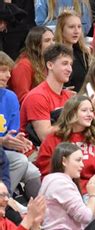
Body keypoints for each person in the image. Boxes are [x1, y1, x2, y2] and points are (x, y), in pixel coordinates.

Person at [35, 95, 95, 193]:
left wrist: (94, 187)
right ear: (72, 113)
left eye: (91, 110)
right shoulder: (53, 138)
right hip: (63, 191)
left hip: (94, 190)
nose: (90, 114)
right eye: (84, 110)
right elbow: (46, 172)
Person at [0, 51, 41, 199]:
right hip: (3, 153)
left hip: (4, 153)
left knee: (33, 173)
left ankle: (39, 217)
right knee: (20, 161)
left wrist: (19, 141)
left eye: (9, 71)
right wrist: (3, 141)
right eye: (3, 71)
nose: (9, 76)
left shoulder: (10, 97)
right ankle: (5, 201)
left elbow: (12, 134)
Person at [20, 43, 73, 146]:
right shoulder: (37, 96)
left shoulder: (68, 96)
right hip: (35, 151)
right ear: (50, 65)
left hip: (63, 148)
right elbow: (45, 137)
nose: (69, 69)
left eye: (70, 64)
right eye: (65, 63)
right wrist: (75, 122)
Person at [9, 26, 54, 104]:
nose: (52, 44)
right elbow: (22, 98)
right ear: (36, 44)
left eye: (54, 40)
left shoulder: (46, 61)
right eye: (47, 41)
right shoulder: (23, 65)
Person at [54, 10, 91, 92]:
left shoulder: (84, 53)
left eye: (79, 27)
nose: (76, 31)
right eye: (71, 27)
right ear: (61, 30)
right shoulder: (54, 55)